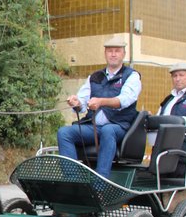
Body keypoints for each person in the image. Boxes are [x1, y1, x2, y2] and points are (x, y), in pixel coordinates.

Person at [57, 37, 141, 177]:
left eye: (117, 51)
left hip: (119, 126)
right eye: (110, 51)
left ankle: (101, 181)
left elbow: (124, 100)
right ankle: (72, 179)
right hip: (94, 126)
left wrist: (101, 101)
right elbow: (82, 102)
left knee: (108, 130)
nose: (113, 54)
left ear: (123, 54)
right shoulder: (95, 76)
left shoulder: (131, 76)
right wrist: (76, 103)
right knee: (64, 133)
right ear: (105, 54)